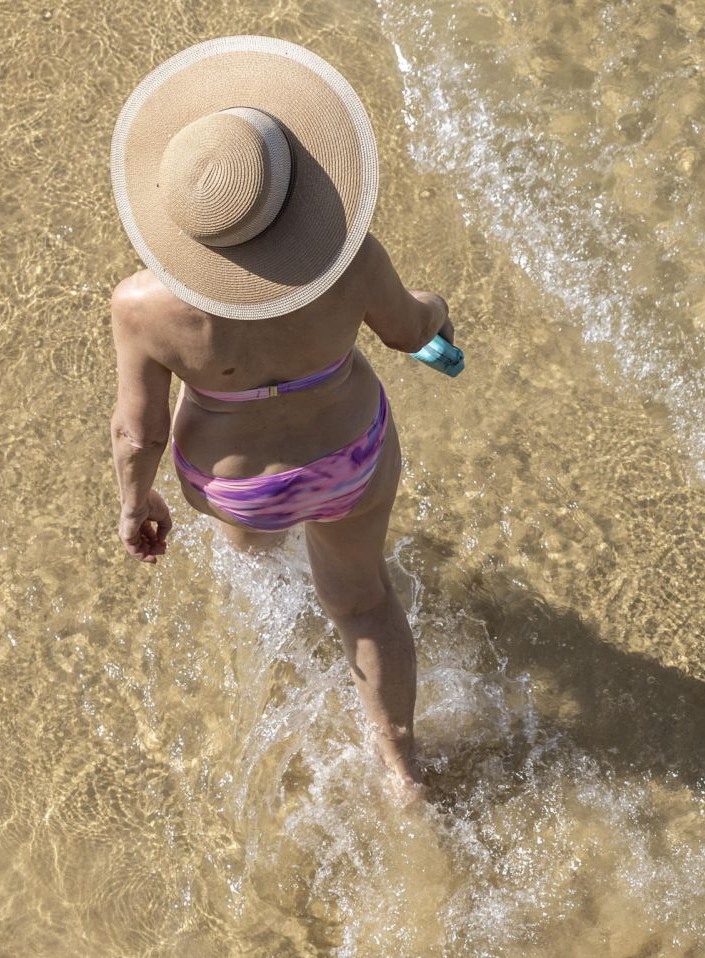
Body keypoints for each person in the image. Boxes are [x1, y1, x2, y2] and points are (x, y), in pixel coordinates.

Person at [106, 36, 449, 794]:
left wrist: (136, 504)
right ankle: (401, 771)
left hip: (235, 485)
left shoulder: (140, 307)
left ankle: (283, 665)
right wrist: (438, 310)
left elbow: (139, 432)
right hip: (347, 457)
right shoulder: (349, 259)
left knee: (256, 562)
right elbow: (407, 332)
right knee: (361, 600)